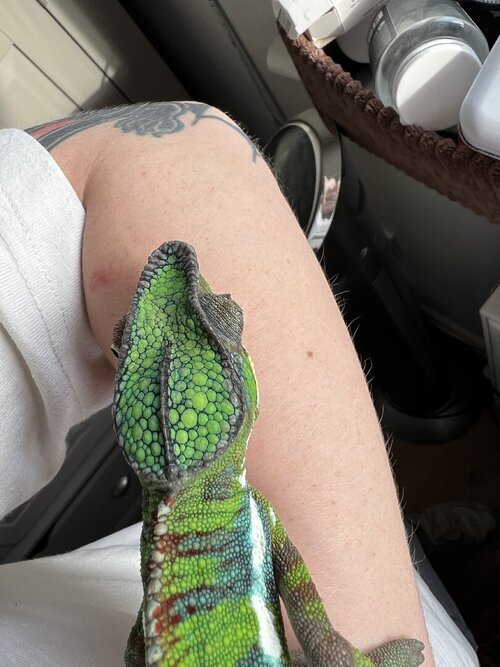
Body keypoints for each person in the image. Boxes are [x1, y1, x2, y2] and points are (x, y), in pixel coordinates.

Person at [0, 102, 477, 666]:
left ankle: (427, 548)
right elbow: (329, 649)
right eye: (228, 329)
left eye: (126, 343)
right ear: (247, 400)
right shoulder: (246, 515)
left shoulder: (167, 534)